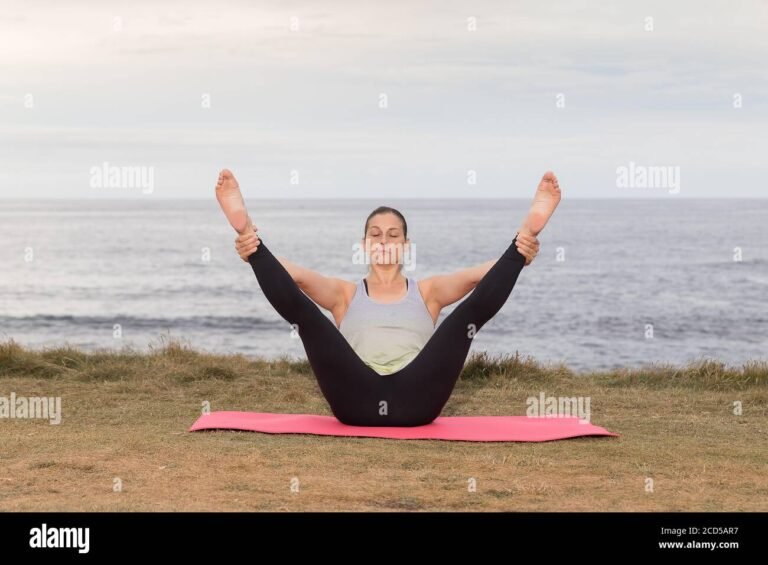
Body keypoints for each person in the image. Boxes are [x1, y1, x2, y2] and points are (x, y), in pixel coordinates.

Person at [216, 169, 560, 426]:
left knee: (468, 316)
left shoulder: (429, 292)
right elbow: (297, 278)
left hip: (418, 400)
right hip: (353, 399)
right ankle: (247, 230)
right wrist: (252, 248)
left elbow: (478, 277)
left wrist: (521, 252)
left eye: (393, 235)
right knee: (304, 317)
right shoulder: (343, 294)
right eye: (375, 235)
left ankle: (525, 232)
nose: (383, 241)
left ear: (405, 247)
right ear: (364, 245)